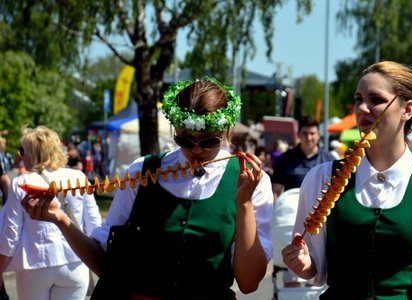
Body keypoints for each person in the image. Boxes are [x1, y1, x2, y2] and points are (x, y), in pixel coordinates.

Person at [21, 77, 273, 299]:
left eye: (209, 141)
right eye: (184, 140)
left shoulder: (250, 179)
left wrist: (244, 204)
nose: (196, 150)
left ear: (226, 131)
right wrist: (61, 220)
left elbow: (249, 283)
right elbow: (107, 266)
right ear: (174, 130)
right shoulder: (142, 171)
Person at [281, 61, 412, 298]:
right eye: (359, 99)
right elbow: (314, 269)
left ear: (407, 109)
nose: (362, 108)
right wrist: (302, 263)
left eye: (376, 99)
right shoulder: (323, 178)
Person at [0, 125, 102, 300]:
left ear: (32, 153)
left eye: (22, 150)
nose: (20, 154)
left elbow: (10, 235)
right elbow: (94, 225)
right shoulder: (78, 177)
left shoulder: (22, 182)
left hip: (36, 265)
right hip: (76, 262)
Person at [271, 116, 334, 201]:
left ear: (318, 135)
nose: (308, 138)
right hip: (292, 211)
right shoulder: (284, 159)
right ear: (298, 134)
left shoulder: (329, 160)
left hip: (321, 211)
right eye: (305, 133)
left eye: (312, 133)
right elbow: (276, 192)